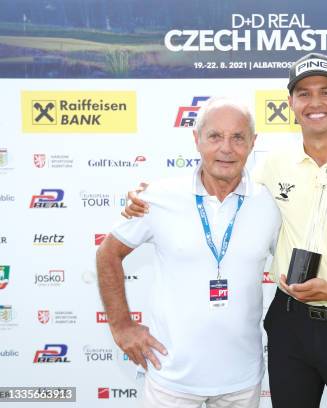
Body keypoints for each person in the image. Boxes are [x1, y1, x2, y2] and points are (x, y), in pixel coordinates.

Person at [124, 53, 327, 408]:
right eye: (304, 94)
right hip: (289, 324)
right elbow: (220, 177)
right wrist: (143, 195)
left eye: (326, 91)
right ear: (291, 103)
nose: (315, 102)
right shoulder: (273, 164)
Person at [96, 98, 280, 408]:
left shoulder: (270, 202)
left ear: (252, 143)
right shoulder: (157, 198)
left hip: (242, 380)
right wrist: (121, 326)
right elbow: (107, 254)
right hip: (171, 379)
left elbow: (311, 257)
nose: (227, 148)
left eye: (238, 137)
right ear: (196, 140)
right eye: (215, 136)